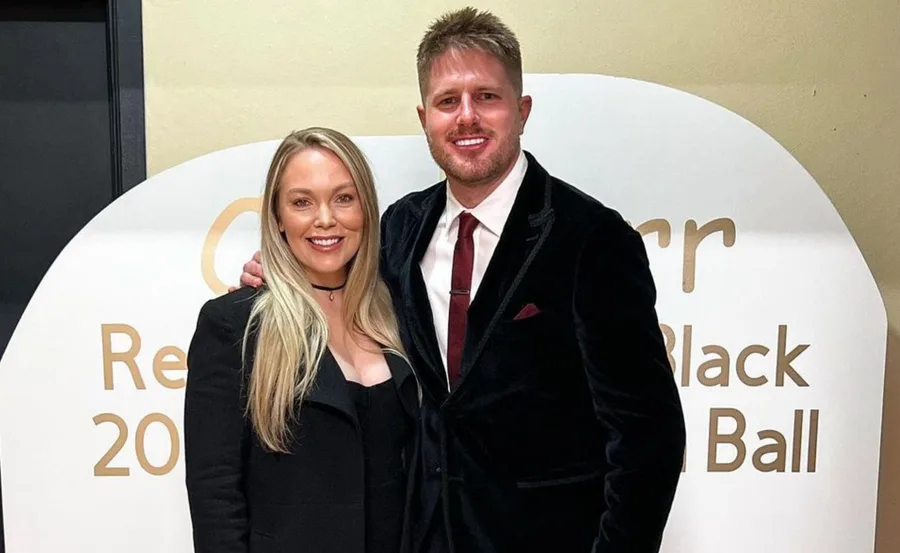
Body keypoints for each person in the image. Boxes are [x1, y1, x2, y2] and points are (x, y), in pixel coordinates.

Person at [240, 7, 686, 553]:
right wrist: (276, 272)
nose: (467, 117)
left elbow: (648, 436)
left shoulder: (592, 239)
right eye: (448, 101)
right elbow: (336, 287)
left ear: (522, 110)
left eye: (487, 97)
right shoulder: (399, 229)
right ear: (425, 116)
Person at [184, 127, 419, 553]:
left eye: (344, 198)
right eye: (301, 202)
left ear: (366, 209)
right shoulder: (234, 326)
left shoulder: (401, 313)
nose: (325, 219)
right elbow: (216, 497)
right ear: (278, 217)